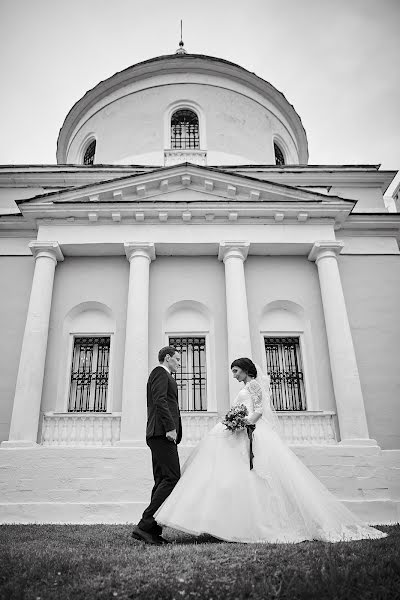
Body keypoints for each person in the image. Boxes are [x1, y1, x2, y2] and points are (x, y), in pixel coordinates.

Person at [155, 357, 387, 543]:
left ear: (246, 371)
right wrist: (234, 420)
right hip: (239, 431)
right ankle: (228, 522)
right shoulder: (248, 385)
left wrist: (243, 422)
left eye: (236, 371)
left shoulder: (254, 385)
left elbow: (258, 410)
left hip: (250, 432)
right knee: (233, 477)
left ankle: (255, 523)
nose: (234, 376)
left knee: (253, 476)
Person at [132, 346, 182, 545]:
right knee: (172, 478)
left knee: (162, 479)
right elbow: (160, 401)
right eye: (177, 359)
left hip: (160, 434)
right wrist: (170, 428)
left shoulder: (165, 374)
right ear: (167, 358)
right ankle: (144, 525)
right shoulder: (159, 372)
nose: (179, 363)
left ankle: (151, 530)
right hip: (161, 433)